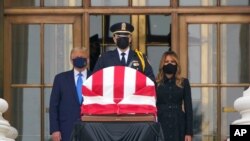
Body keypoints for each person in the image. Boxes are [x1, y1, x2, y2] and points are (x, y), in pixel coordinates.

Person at [49, 47, 91, 141]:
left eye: (82, 56)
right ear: (71, 60)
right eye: (76, 57)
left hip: (91, 129)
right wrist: (55, 130)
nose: (79, 58)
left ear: (87, 59)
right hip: (66, 128)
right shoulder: (60, 79)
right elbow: (53, 106)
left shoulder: (95, 78)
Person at [156, 51, 193, 141]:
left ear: (176, 64)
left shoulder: (184, 82)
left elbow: (188, 108)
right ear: (162, 64)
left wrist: (189, 132)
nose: (170, 64)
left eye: (173, 62)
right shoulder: (156, 83)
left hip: (178, 123)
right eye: (167, 61)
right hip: (161, 122)